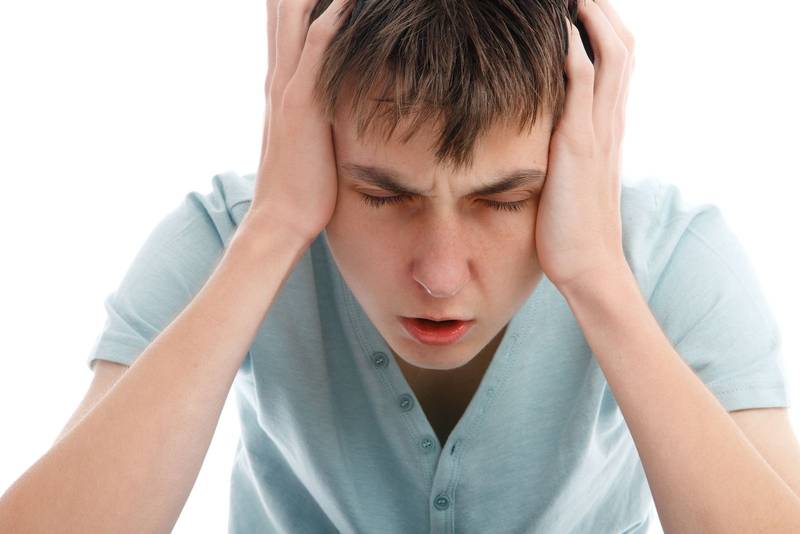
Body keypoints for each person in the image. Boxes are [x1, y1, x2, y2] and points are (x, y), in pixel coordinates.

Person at [0, 0, 793, 532]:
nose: (440, 276)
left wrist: (597, 278)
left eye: (506, 199)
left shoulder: (670, 255)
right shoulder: (228, 238)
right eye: (381, 194)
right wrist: (274, 230)